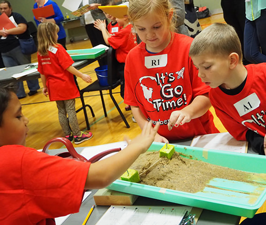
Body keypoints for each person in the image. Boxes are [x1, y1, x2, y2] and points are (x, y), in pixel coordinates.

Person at [0, 85, 160, 224]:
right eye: (18, 116)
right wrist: (138, 146)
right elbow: (100, 176)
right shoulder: (16, 161)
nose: (26, 120)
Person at [189, 23, 266, 216]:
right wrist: (264, 146)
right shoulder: (216, 97)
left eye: (206, 67)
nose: (200, 74)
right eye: (197, 67)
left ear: (232, 60)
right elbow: (243, 133)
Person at [124, 0, 219, 143]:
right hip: (161, 139)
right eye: (141, 29)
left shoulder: (188, 48)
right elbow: (134, 104)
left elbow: (206, 95)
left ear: (169, 17)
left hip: (200, 136)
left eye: (156, 26)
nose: (149, 35)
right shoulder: (132, 58)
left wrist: (188, 111)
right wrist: (150, 133)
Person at [37, 22, 93, 145]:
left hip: (53, 86)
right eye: (56, 33)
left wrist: (44, 86)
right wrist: (82, 75)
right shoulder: (58, 49)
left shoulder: (40, 52)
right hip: (65, 84)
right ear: (52, 34)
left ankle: (67, 135)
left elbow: (42, 72)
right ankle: (78, 135)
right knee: (71, 110)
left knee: (61, 111)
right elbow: (68, 66)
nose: (57, 35)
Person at [94, 2, 137, 99]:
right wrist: (104, 29)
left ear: (125, 17)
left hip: (126, 64)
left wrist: (102, 28)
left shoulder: (124, 31)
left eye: (117, 17)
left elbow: (109, 41)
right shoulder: (129, 27)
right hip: (129, 63)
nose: (115, 19)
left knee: (128, 91)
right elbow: (113, 39)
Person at [0, 0, 40, 99]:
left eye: (5, 8)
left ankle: (33, 88)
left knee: (26, 68)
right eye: (1, 9)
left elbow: (22, 28)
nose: (3, 10)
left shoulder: (17, 16)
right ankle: (19, 93)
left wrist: (7, 32)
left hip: (18, 47)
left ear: (10, 8)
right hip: (4, 50)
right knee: (12, 73)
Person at [221, 0, 249, 65]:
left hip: (241, 3)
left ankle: (249, 59)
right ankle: (243, 60)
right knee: (235, 33)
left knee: (245, 30)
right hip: (227, 3)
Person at [78, 0, 107, 65]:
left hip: (99, 22)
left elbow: (107, 4)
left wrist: (96, 5)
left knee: (104, 45)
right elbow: (79, 12)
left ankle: (109, 64)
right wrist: (79, 12)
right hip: (87, 24)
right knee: (95, 47)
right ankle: (102, 65)